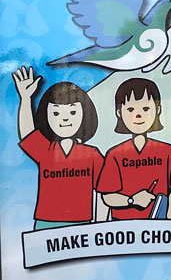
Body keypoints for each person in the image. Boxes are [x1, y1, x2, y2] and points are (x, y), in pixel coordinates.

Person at [13, 66, 107, 228]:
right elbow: (27, 134)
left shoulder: (92, 154)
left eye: (72, 113)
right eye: (56, 113)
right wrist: (26, 98)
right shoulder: (45, 150)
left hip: (82, 222)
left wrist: (100, 226)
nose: (65, 119)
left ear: (85, 114)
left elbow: (104, 191)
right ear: (46, 116)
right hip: (46, 223)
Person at [98, 78, 171, 219]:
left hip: (160, 225)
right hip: (123, 227)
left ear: (158, 109)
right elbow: (107, 196)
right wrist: (132, 200)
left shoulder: (167, 152)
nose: (138, 115)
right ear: (119, 112)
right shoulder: (115, 154)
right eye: (130, 109)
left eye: (146, 108)